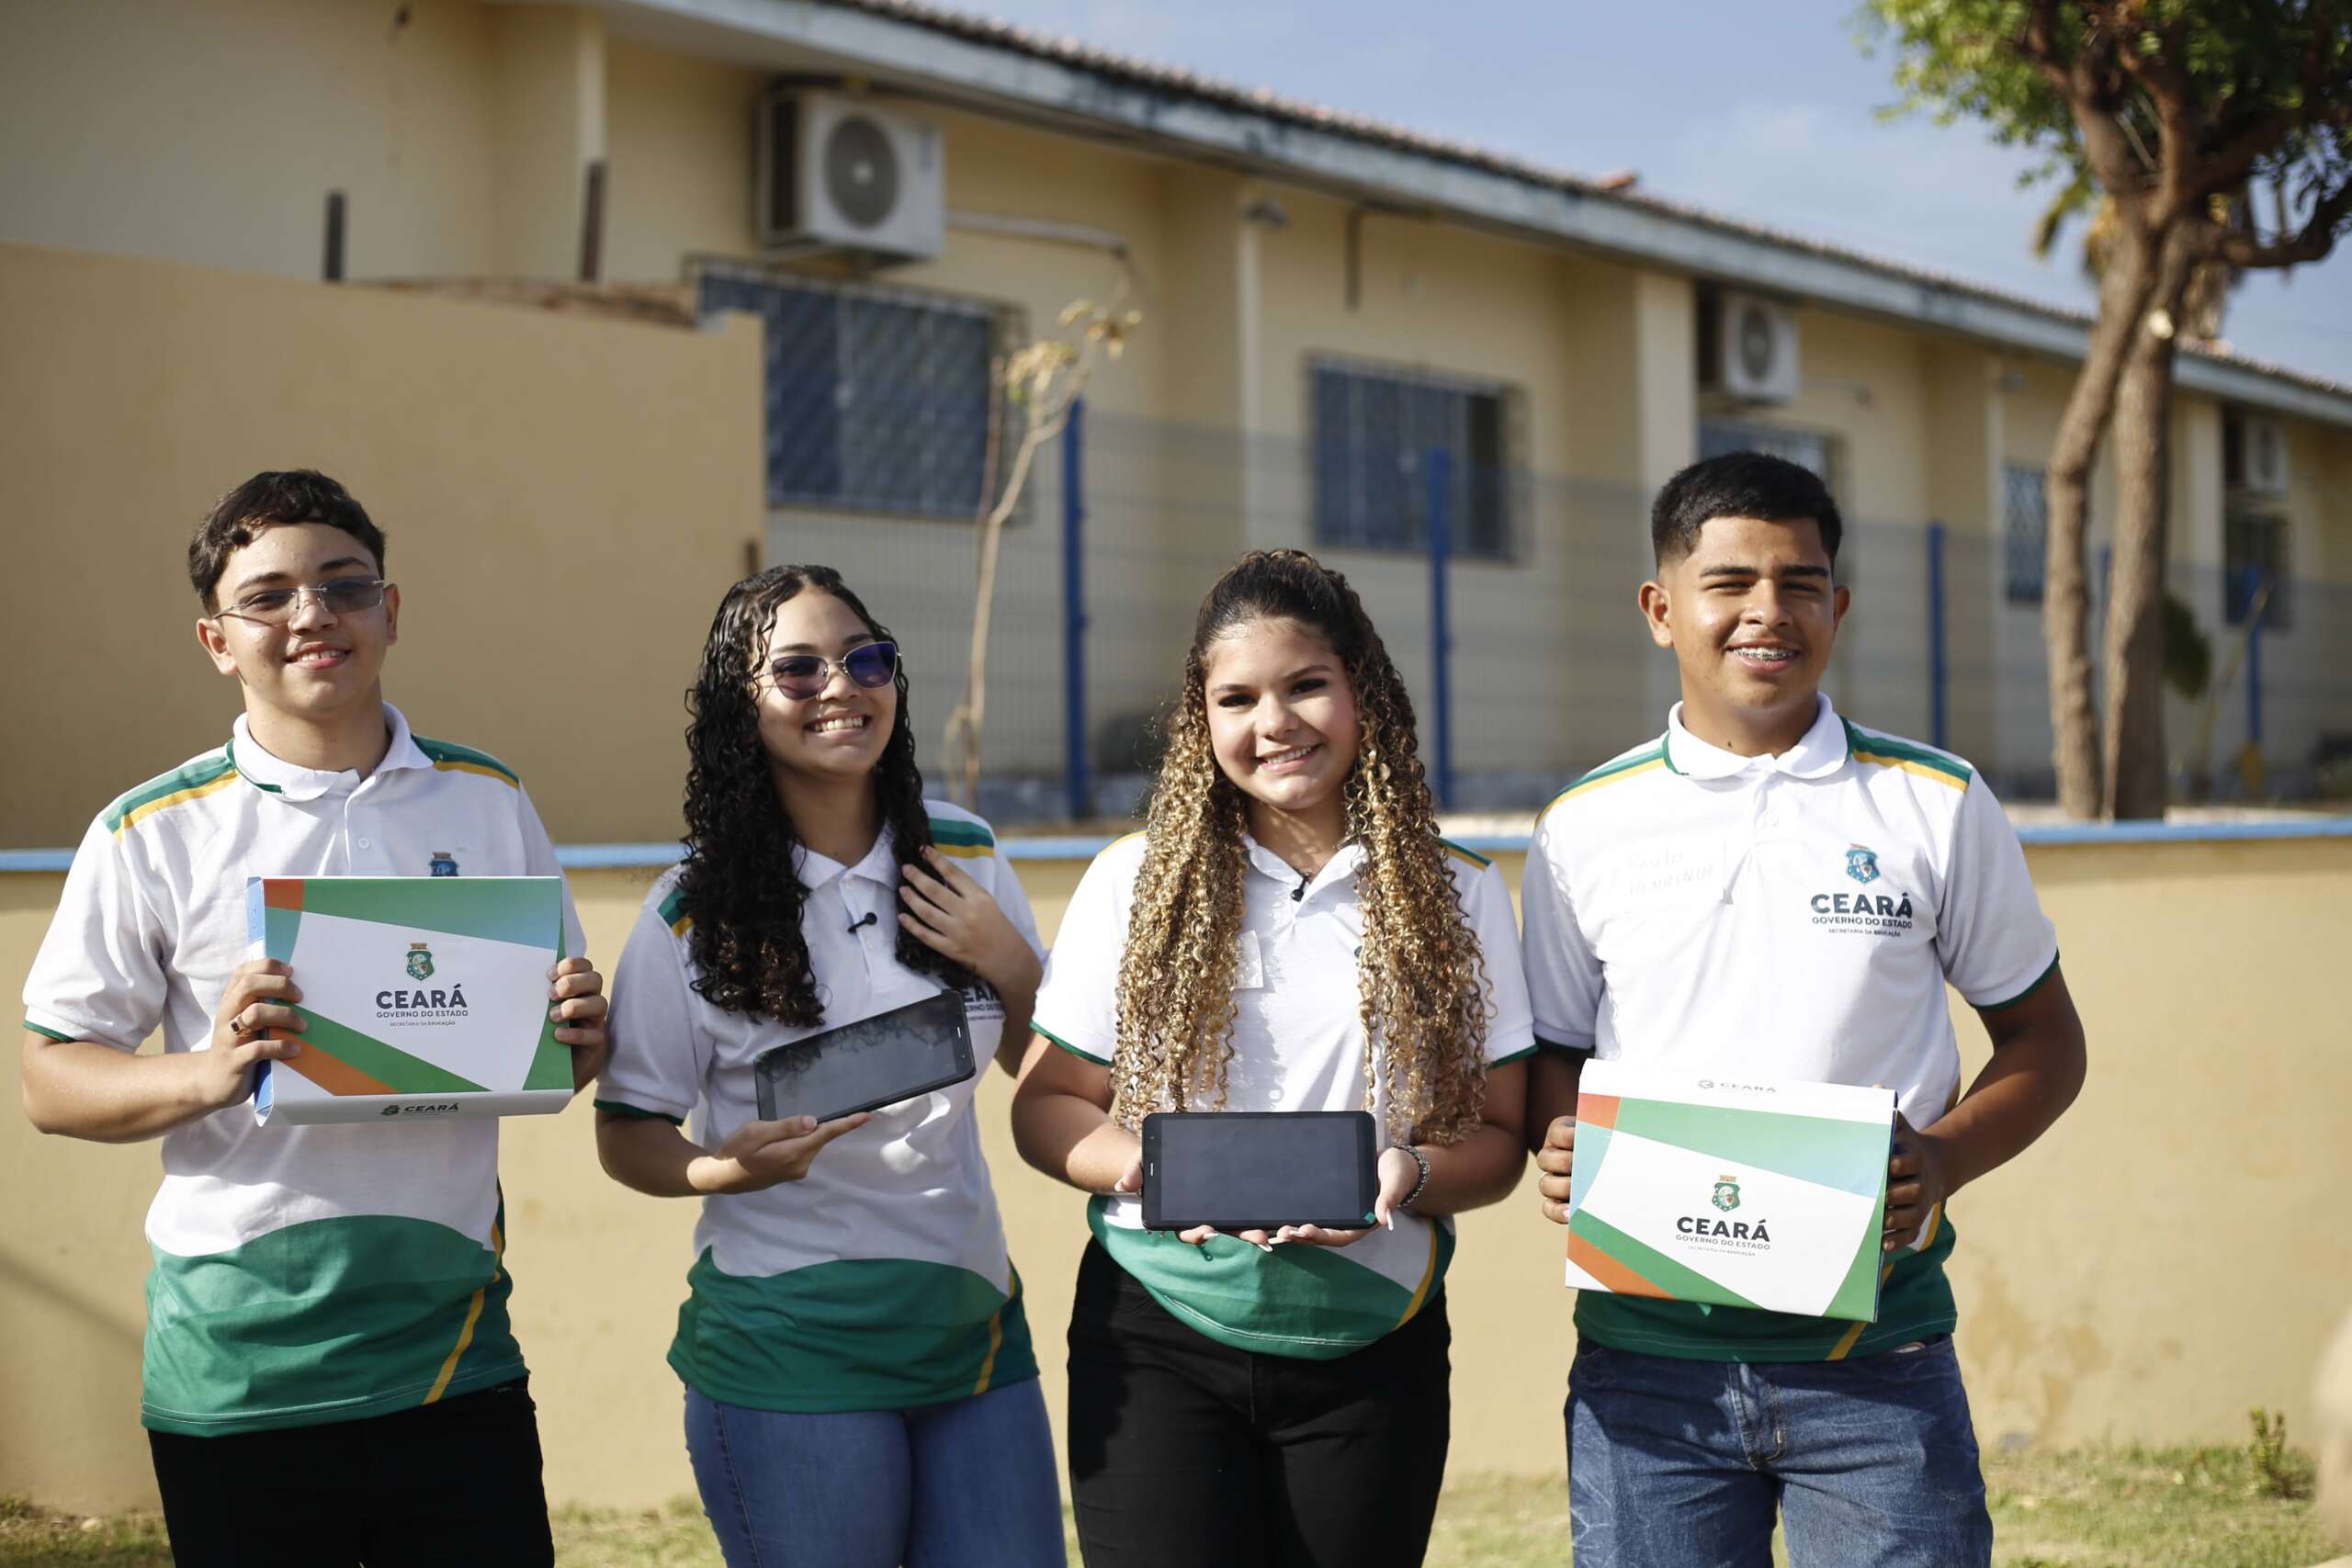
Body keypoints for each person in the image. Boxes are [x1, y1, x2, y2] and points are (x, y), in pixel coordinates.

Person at [18, 469, 609, 1566]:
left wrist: (578, 1037)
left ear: (391, 610)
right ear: (215, 640)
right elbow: (51, 1081)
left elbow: (549, 1060)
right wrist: (204, 1070)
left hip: (454, 1346)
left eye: (343, 586)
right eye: (269, 596)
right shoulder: (150, 830)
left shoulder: (489, 799)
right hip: (239, 1368)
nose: (311, 616)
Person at [1523, 451, 2088, 1568]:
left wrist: (1943, 1158)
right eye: (1728, 582)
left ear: (1838, 604)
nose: (1765, 613)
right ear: (1660, 608)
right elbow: (1556, 1057)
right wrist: (1562, 1144)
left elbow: (2046, 1043)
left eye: (1800, 581)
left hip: (1876, 1363)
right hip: (1647, 1379)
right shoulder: (1581, 826)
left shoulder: (1933, 802)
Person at [1013, 548, 1534, 1568]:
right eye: (1237, 698)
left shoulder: (1457, 891)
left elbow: (1500, 1136)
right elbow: (1049, 1106)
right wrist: (1147, 1170)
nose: (1274, 723)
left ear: (1362, 691)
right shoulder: (1132, 882)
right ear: (1200, 721)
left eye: (1306, 686)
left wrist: (1407, 1175)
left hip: (1372, 1339)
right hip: (1155, 1329)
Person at [594, 564, 1063, 1568]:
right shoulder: (691, 909)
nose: (840, 687)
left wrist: (1015, 966)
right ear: (740, 703)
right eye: (797, 670)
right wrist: (725, 1168)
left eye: (864, 659)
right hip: (787, 1347)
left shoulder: (967, 857)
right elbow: (627, 1132)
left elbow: (1048, 1067)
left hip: (971, 1335)